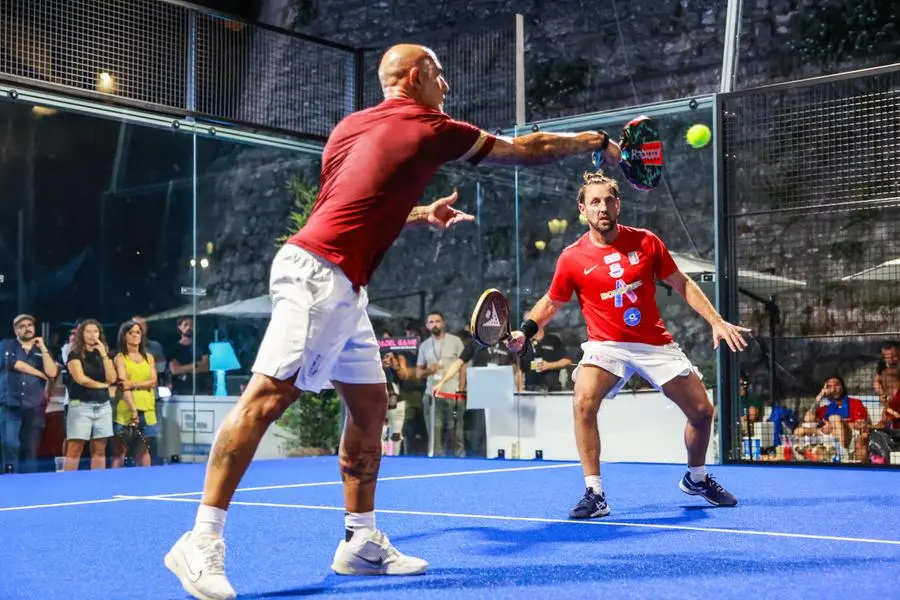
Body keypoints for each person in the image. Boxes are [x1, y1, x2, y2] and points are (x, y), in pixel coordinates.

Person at [164, 43, 623, 600]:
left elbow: (356, 206)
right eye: (440, 76)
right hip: (320, 276)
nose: (447, 87)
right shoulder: (431, 125)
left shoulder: (349, 128)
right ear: (416, 76)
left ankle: (359, 542)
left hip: (341, 282)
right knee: (266, 398)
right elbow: (529, 150)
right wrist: (592, 142)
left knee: (370, 405)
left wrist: (422, 212)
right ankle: (201, 539)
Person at [508, 170, 749, 520]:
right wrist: (525, 332)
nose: (602, 207)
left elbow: (682, 284)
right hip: (606, 346)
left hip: (654, 343)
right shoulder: (572, 258)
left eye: (608, 200)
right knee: (583, 400)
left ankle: (696, 478)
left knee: (702, 412)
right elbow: (551, 302)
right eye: (594, 202)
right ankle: (595, 493)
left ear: (618, 204)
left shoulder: (647, 242)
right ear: (582, 209)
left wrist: (715, 320)